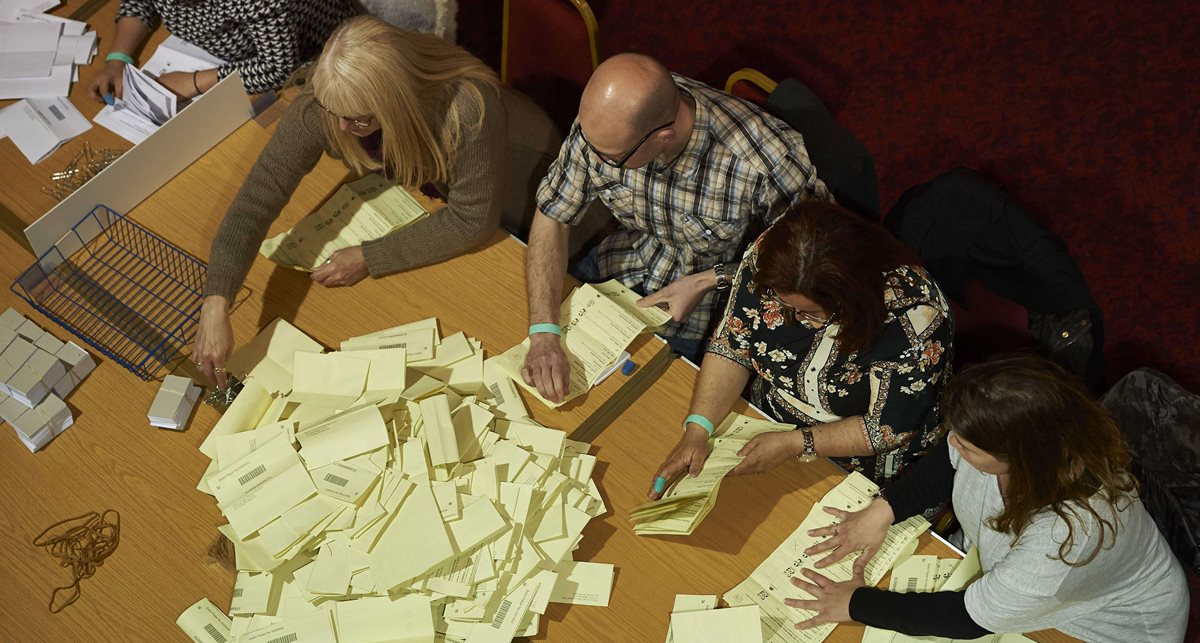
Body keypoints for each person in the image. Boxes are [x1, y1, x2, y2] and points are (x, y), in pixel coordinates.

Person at [191, 16, 562, 387]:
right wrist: (217, 300)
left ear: (394, 103)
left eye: (356, 119)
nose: (338, 129)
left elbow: (472, 221)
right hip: (442, 185)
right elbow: (256, 199)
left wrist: (370, 256)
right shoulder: (333, 101)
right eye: (331, 111)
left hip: (526, 192)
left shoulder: (467, 108)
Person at [789, 354, 1189, 643]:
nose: (956, 445)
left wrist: (858, 605)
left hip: (1103, 642)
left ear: (1022, 456)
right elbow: (946, 463)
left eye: (969, 446)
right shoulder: (1017, 437)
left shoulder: (1067, 538)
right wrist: (884, 510)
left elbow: (968, 618)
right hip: (1013, 582)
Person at [521, 53, 833, 402]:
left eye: (609, 158)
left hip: (702, 317)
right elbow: (553, 212)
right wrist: (543, 331)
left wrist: (709, 279)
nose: (592, 160)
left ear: (663, 136)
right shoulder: (608, 122)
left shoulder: (764, 159)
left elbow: (816, 257)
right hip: (617, 267)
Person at [648, 200, 952, 494]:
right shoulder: (774, 259)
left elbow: (887, 429)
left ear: (853, 299)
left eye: (812, 313)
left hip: (860, 462)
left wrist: (798, 443)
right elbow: (733, 341)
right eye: (783, 304)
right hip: (766, 426)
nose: (798, 320)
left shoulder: (914, 318)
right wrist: (699, 428)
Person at [88, 0, 356, 100]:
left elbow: (278, 68)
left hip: (321, 56)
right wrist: (117, 59)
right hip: (223, 55)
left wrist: (193, 82)